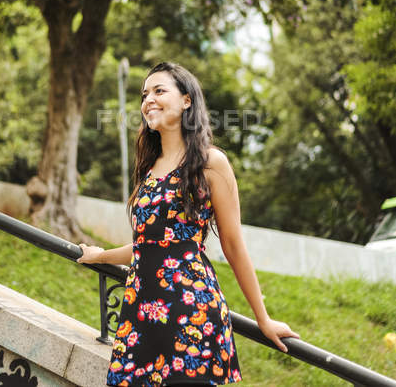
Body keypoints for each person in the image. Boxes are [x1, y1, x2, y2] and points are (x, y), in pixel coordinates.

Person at [78, 61, 299, 386]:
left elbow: (233, 244)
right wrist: (99, 256)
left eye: (159, 90)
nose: (148, 99)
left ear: (186, 100)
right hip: (139, 318)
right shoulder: (150, 170)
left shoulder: (211, 163)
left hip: (190, 315)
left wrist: (262, 318)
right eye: (144, 94)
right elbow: (149, 245)